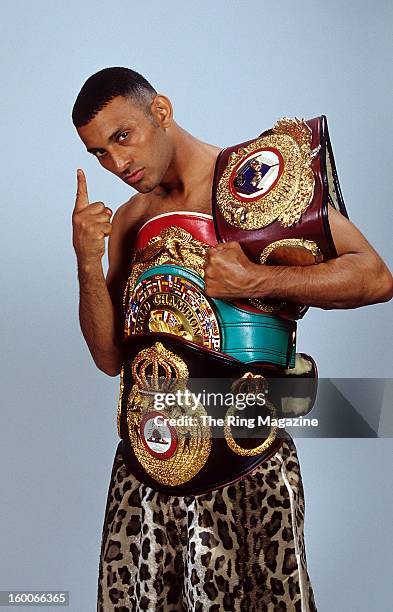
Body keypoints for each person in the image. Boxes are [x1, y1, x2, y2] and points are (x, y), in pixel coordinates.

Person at [71, 67, 393, 612]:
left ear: (161, 111)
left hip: (246, 469)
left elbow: (375, 277)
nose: (117, 164)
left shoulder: (251, 182)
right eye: (99, 152)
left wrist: (262, 279)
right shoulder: (128, 221)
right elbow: (108, 358)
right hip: (146, 477)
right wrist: (85, 263)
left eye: (122, 137)